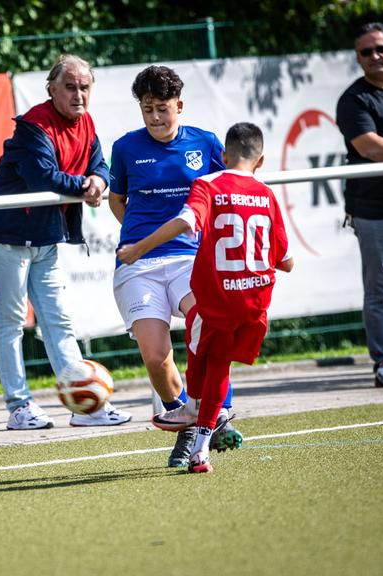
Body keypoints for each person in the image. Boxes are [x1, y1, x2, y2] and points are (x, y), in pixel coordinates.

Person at [118, 122, 294, 473]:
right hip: (255, 305)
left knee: (202, 356)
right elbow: (286, 261)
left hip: (218, 298)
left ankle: (194, 414)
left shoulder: (209, 184)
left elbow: (186, 222)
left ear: (223, 156)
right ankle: (201, 445)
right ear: (260, 161)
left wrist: (139, 248)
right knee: (219, 365)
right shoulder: (266, 194)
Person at [0, 54, 132, 430]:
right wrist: (85, 184)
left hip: (44, 237)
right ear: (52, 90)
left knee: (59, 320)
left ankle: (85, 406)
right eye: (70, 87)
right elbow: (42, 176)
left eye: (85, 87)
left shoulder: (87, 122)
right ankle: (19, 406)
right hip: (4, 235)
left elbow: (100, 164)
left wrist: (97, 179)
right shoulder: (33, 127)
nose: (79, 94)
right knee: (11, 322)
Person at [108, 65, 241, 467]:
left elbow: (229, 189)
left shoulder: (205, 142)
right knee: (155, 357)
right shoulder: (126, 147)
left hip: (191, 259)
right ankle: (188, 423)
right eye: (147, 109)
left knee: (208, 324)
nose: (154, 117)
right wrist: (144, 239)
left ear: (179, 105)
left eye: (162, 108)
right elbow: (118, 201)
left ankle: (215, 416)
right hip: (139, 263)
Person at [336, 22, 383, 387]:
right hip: (375, 209)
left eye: (381, 48)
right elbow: (369, 147)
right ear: (358, 58)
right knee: (381, 289)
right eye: (367, 51)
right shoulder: (353, 100)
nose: (375, 56)